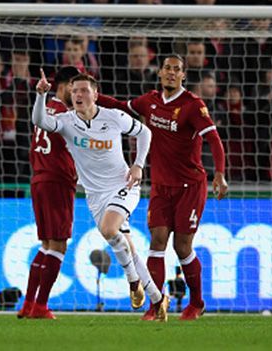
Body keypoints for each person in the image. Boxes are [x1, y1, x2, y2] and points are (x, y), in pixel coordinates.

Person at [97, 55, 228, 321]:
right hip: (160, 186)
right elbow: (121, 106)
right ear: (160, 73)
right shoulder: (150, 101)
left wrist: (220, 174)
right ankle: (156, 306)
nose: (171, 73)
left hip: (189, 186)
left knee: (182, 247)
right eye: (167, 68)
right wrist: (92, 97)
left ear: (183, 76)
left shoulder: (192, 105)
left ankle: (197, 303)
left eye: (176, 69)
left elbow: (213, 140)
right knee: (156, 242)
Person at [32, 71, 170, 321]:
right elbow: (40, 121)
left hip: (124, 185)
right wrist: (41, 95)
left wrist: (138, 165)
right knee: (127, 247)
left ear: (95, 94)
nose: (79, 95)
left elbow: (145, 133)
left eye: (84, 90)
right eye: (75, 91)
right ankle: (158, 299)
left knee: (108, 229)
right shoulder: (65, 121)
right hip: (95, 195)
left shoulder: (114, 117)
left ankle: (132, 280)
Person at [17, 66, 80, 319]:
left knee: (46, 245)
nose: (76, 93)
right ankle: (41, 306)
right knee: (58, 245)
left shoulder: (44, 109)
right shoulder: (65, 114)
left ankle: (29, 303)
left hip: (40, 178)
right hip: (57, 180)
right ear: (61, 86)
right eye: (73, 88)